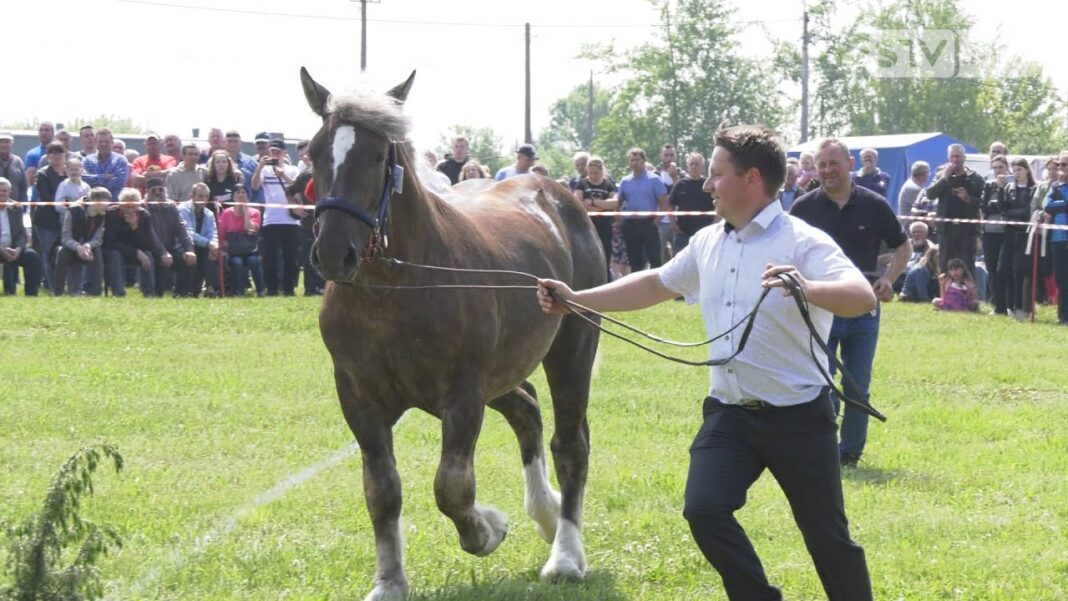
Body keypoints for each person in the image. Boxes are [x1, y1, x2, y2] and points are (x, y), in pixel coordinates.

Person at [538, 124, 875, 601]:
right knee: (704, 509)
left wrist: (807, 286)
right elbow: (656, 283)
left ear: (751, 178)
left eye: (717, 174)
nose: (707, 184)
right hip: (730, 414)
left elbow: (861, 297)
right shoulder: (708, 243)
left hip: (799, 417)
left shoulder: (803, 241)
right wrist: (577, 298)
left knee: (827, 541)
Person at [791, 138, 909, 468]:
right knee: (819, 386)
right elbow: (788, 251)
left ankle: (850, 454)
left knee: (858, 387)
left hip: (864, 310)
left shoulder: (875, 204)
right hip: (821, 309)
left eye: (833, 163)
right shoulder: (803, 208)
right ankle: (822, 449)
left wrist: (889, 279)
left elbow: (903, 247)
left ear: (850, 164)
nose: (828, 170)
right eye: (821, 165)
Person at [926, 143, 984, 274]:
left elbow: (983, 202)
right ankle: (946, 294)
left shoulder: (975, 178)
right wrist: (944, 178)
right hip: (946, 229)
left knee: (967, 265)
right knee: (945, 264)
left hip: (967, 230)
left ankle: (968, 294)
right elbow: (930, 194)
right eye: (952, 157)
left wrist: (968, 198)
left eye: (958, 157)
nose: (955, 160)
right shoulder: (941, 175)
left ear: (964, 157)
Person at [252, 139, 300, 296]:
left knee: (290, 257)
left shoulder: (292, 169)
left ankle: (289, 288)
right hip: (271, 219)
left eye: (278, 152)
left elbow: (298, 188)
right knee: (269, 257)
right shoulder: (265, 170)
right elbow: (255, 185)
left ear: (285, 152)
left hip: (291, 220)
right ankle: (271, 288)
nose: (275, 155)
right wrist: (260, 166)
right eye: (272, 152)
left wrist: (284, 176)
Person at [103, 188, 166, 297]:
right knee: (115, 255)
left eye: (134, 207)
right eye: (127, 206)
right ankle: (118, 293)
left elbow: (148, 243)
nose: (130, 210)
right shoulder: (111, 214)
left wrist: (135, 227)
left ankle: (149, 293)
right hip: (115, 250)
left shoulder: (144, 215)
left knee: (148, 255)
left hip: (136, 250)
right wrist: (136, 252)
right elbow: (111, 242)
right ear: (120, 204)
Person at [617, 147, 669, 272]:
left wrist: (656, 222)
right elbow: (618, 203)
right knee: (635, 262)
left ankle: (656, 290)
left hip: (649, 224)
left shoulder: (654, 179)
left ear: (644, 161)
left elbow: (664, 203)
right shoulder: (625, 181)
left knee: (655, 260)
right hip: (630, 225)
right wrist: (619, 220)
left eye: (637, 159)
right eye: (632, 160)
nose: (634, 162)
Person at [997, 158, 1036, 320]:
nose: (1016, 173)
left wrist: (1011, 215)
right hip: (1009, 233)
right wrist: (1000, 190)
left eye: (1019, 169)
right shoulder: (1008, 188)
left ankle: (1020, 306)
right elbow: (1002, 208)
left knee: (1019, 270)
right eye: (1014, 170)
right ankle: (1007, 305)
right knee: (1003, 268)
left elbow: (1027, 211)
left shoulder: (1033, 189)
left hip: (1024, 234)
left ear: (1027, 170)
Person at [144, 178, 196, 296]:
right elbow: (150, 234)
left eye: (160, 189)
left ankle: (181, 294)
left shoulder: (171, 207)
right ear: (147, 192)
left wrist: (189, 250)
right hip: (151, 249)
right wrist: (163, 252)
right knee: (160, 263)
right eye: (154, 190)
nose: (158, 193)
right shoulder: (144, 207)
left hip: (170, 248)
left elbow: (182, 229)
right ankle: (157, 294)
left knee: (188, 260)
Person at [55, 187, 109, 296]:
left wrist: (88, 246)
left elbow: (98, 239)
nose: (108, 205)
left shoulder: (102, 216)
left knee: (97, 252)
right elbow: (65, 237)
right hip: (71, 248)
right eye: (106, 202)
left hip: (88, 249)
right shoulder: (73, 211)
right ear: (96, 202)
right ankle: (58, 292)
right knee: (62, 252)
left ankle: (96, 292)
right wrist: (78, 247)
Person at [31, 143, 70, 291]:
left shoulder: (69, 172)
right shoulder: (43, 174)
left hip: (66, 220)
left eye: (60, 152)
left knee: (63, 253)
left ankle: (63, 284)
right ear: (48, 157)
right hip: (46, 221)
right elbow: (46, 196)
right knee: (49, 253)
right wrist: (65, 202)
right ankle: (51, 285)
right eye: (53, 153)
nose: (57, 156)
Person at [574, 156, 618, 280]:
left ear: (602, 171)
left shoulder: (608, 184)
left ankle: (605, 279)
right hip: (586, 226)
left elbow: (615, 202)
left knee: (605, 253)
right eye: (591, 173)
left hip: (604, 226)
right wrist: (603, 204)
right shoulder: (581, 184)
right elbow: (578, 202)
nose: (593, 175)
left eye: (596, 173)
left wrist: (593, 202)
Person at [218, 185, 263, 296]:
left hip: (250, 250)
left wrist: (245, 212)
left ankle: (261, 290)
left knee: (254, 261)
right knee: (237, 263)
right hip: (234, 251)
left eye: (243, 192)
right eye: (238, 193)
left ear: (248, 196)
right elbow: (221, 235)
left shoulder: (255, 213)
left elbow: (250, 230)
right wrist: (224, 245)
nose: (241, 195)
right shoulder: (227, 213)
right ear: (233, 196)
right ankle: (238, 291)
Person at [0, 177, 42, 296]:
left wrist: (18, 249)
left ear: (10, 192)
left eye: (5, 190)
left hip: (13, 248)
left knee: (32, 257)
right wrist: (2, 249)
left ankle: (31, 295)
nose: (2, 193)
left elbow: (22, 234)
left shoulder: (16, 208)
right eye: (0, 190)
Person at [979, 155, 1010, 313]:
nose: (998, 171)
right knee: (991, 268)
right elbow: (984, 207)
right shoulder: (988, 185)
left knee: (1003, 269)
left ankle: (1007, 303)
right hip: (989, 232)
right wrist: (993, 205)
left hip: (1005, 233)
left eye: (1001, 167)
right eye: (995, 167)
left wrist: (1000, 190)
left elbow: (1003, 208)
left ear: (1007, 168)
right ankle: (997, 304)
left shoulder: (1011, 185)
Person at [177, 183, 220, 297]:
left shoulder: (209, 214)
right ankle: (189, 290)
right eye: (200, 196)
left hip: (202, 245)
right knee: (196, 252)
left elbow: (213, 232)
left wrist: (214, 245)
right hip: (183, 244)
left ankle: (211, 288)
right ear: (192, 196)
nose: (203, 199)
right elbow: (188, 232)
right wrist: (208, 243)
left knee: (210, 254)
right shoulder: (182, 209)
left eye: (206, 196)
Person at [668, 152, 715, 253]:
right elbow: (670, 205)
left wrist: (715, 223)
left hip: (705, 234)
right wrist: (673, 224)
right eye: (691, 164)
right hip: (683, 234)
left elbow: (718, 205)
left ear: (702, 167)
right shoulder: (680, 184)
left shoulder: (708, 185)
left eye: (697, 164)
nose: (694, 166)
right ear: (687, 166)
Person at [1042, 156, 1068, 324]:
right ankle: (1063, 315)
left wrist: (1060, 204)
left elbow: (1055, 206)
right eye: (1059, 165)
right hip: (1057, 239)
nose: (1061, 167)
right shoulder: (1055, 186)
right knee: (1061, 278)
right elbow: (1047, 206)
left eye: (1064, 164)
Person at [82, 128, 130, 201]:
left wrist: (95, 185)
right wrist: (104, 177)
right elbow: (84, 179)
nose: (103, 144)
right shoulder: (87, 160)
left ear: (112, 143)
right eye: (100, 141)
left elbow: (119, 182)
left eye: (106, 141)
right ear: (95, 143)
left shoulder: (120, 160)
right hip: (92, 207)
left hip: (114, 206)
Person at [23, 121, 55, 197]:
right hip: (38, 197)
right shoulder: (32, 154)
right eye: (41, 130)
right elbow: (30, 179)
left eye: (46, 130)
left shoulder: (60, 152)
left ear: (53, 133)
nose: (43, 133)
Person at [0, 132, 28, 203]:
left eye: (7, 142)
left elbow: (23, 185)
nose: (4, 145)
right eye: (1, 142)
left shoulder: (18, 161)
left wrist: (21, 204)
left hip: (14, 207)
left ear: (12, 144)